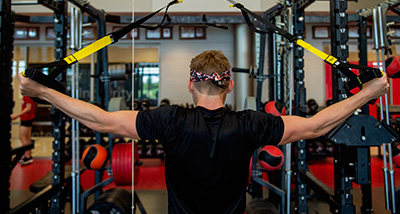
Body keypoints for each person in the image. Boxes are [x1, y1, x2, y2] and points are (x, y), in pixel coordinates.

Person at [17, 50, 388, 213]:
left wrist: (43, 92)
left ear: (192, 84)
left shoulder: (168, 119)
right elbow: (316, 126)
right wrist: (368, 93)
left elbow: (100, 120)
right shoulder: (251, 123)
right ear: (228, 86)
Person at [11, 96, 36, 165]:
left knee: (22, 137)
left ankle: (27, 156)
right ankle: (28, 156)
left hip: (26, 118)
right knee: (27, 137)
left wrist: (17, 115)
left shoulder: (27, 96)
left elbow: (28, 108)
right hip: (27, 118)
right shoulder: (27, 96)